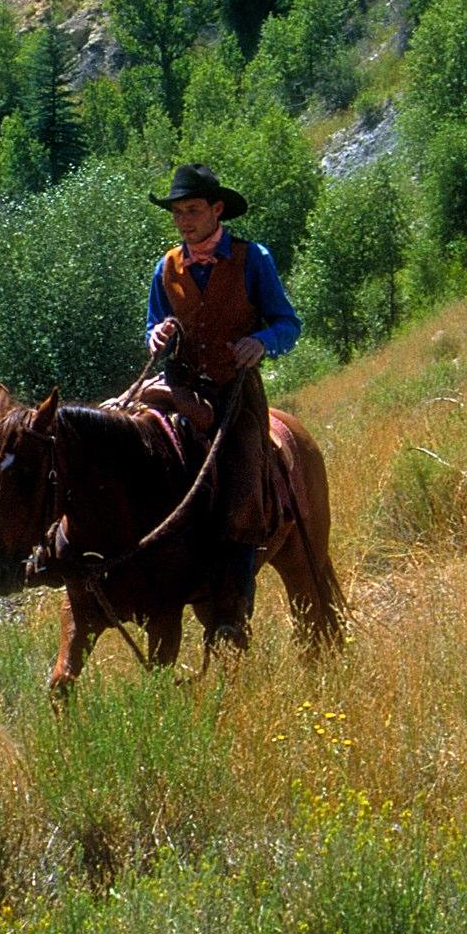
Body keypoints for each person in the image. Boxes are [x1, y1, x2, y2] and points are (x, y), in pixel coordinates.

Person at [144, 162, 301, 647]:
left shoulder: (253, 259)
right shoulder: (166, 268)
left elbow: (287, 324)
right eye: (178, 213)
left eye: (193, 210)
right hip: (182, 392)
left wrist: (262, 342)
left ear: (216, 210)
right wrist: (159, 336)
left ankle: (232, 609)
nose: (184, 221)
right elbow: (152, 328)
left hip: (236, 396)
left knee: (240, 487)